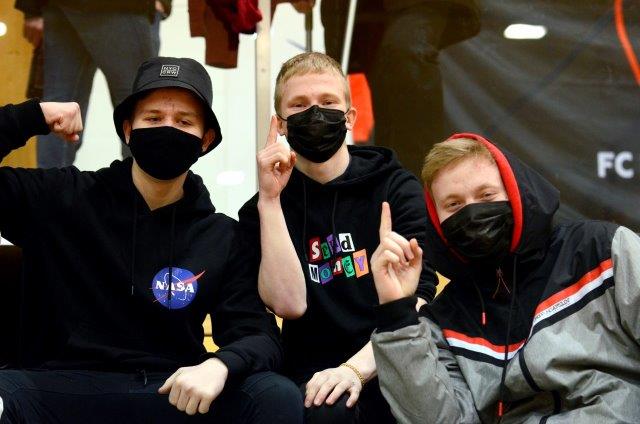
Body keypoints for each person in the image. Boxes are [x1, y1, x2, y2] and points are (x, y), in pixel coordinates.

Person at [0, 57, 302, 423]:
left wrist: (220, 365)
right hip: (58, 391)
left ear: (205, 140)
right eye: (153, 118)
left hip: (173, 393)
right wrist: (31, 116)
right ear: (128, 130)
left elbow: (258, 334)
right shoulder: (61, 196)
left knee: (274, 395)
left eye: (184, 122)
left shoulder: (221, 235)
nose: (167, 129)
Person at [369, 133, 640, 423]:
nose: (472, 212)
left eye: (486, 196)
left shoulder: (603, 250)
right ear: (437, 222)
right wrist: (397, 313)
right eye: (454, 205)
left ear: (516, 193)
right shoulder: (444, 319)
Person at [238, 52, 437, 423]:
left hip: (392, 359)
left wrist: (353, 371)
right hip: (309, 377)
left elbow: (420, 298)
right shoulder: (261, 210)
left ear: (350, 117)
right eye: (299, 105)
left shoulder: (395, 187)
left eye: (328, 102)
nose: (315, 114)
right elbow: (289, 305)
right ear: (281, 125)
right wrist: (270, 201)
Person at [288, 0, 479, 177]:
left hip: (420, 5)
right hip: (361, 12)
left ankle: (422, 182)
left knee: (405, 54)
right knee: (384, 91)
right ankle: (392, 183)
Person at [14, 0, 172, 168]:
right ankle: (140, 185)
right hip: (125, 7)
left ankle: (49, 186)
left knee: (59, 110)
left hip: (61, 6)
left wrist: (30, 8)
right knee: (140, 108)